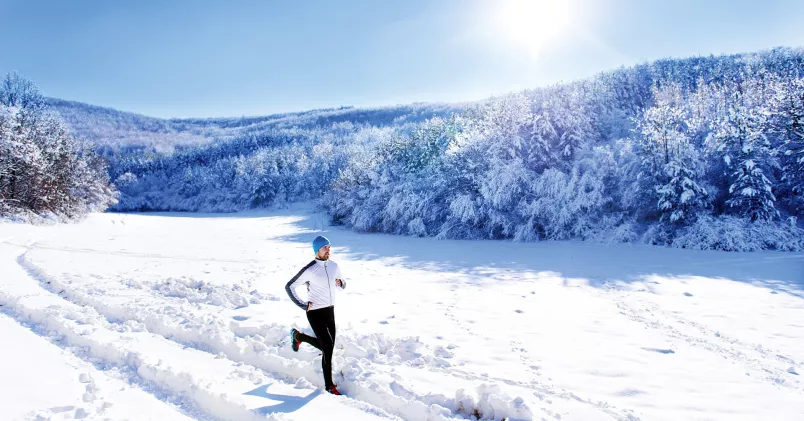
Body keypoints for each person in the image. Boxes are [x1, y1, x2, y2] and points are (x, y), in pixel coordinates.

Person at [285, 235, 347, 395]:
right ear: (317, 250)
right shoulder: (310, 269)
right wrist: (303, 305)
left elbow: (342, 284)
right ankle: (329, 385)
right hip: (315, 313)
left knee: (329, 348)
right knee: (327, 347)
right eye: (325, 247)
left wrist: (341, 283)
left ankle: (299, 337)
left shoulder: (334, 266)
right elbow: (289, 286)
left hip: (330, 311)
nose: (328, 249)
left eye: (329, 246)